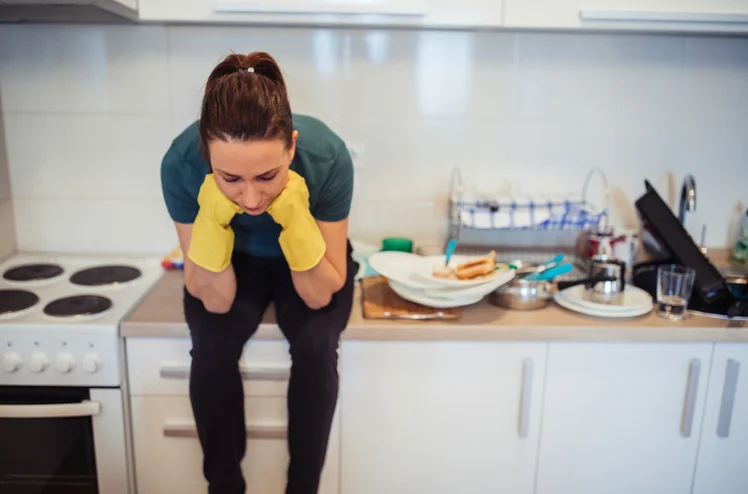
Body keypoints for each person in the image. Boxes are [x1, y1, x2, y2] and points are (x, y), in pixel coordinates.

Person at [160, 51, 355, 494]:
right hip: (237, 263)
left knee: (317, 345)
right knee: (209, 347)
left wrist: (298, 221)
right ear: (207, 154)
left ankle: (302, 488)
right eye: (229, 179)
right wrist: (210, 219)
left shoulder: (327, 157)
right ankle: (224, 486)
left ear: (292, 146)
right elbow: (216, 298)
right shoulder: (181, 165)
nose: (251, 200)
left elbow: (319, 294)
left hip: (307, 262)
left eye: (268, 176)